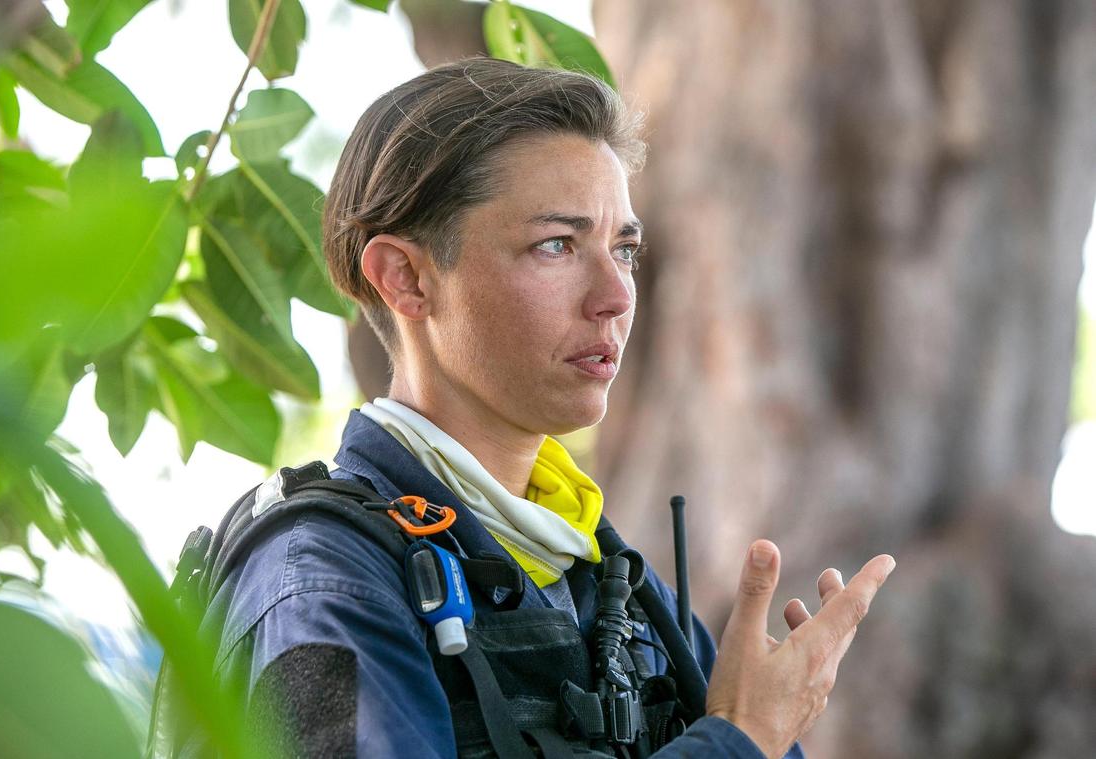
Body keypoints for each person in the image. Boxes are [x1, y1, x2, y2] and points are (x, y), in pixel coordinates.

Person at [201, 57, 895, 758]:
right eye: (556, 245)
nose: (616, 295)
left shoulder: (621, 589)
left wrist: (766, 725)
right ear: (406, 278)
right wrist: (742, 737)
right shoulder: (319, 575)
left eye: (623, 248)